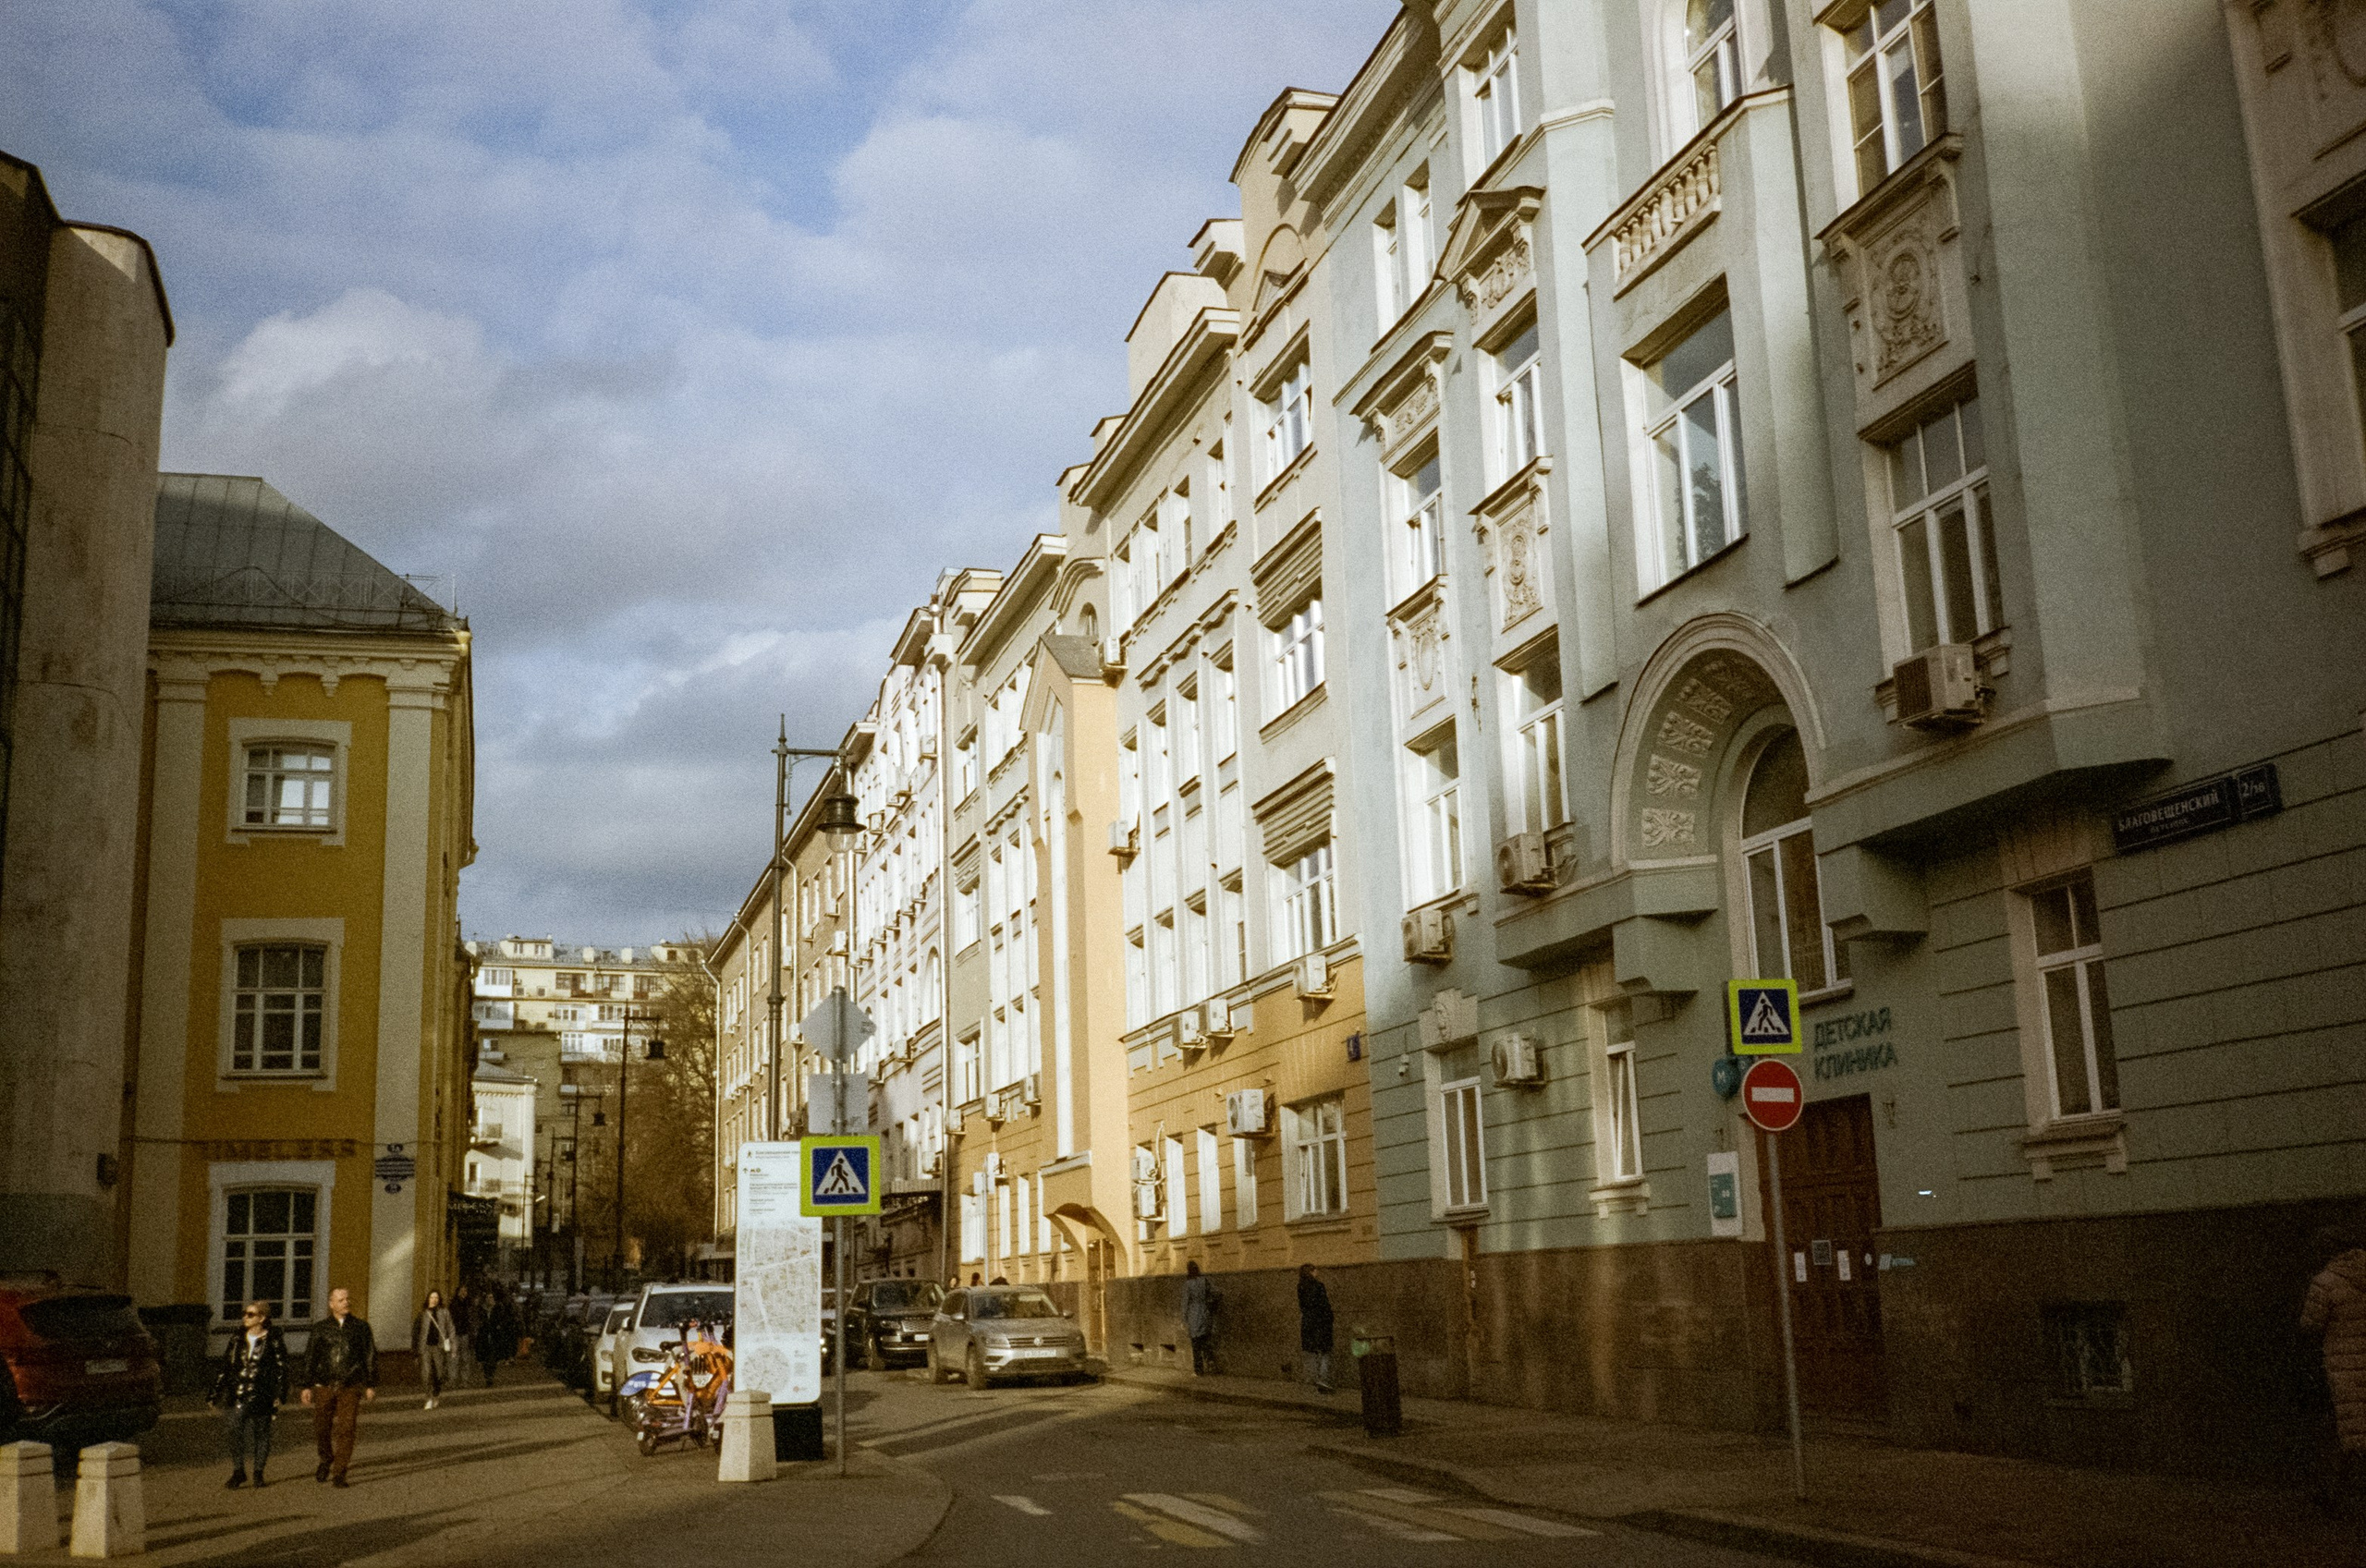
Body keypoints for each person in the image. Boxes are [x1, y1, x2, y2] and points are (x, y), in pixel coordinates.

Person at [2303, 1228, 2366, 1514]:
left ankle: (2332, 1493)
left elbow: (2311, 1325)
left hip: (2341, 1366)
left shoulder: (2325, 1282)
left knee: (2340, 1430)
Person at [299, 1286, 377, 1487]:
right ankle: (326, 1458)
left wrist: (370, 1384)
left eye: (347, 1299)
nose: (346, 1303)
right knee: (321, 1427)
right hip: (324, 1385)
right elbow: (310, 1358)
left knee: (347, 1428)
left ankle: (340, 1472)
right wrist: (306, 1385)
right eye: (341, 1300)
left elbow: (369, 1356)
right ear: (331, 1304)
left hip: (350, 1385)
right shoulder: (320, 1328)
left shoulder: (361, 1328)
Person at [209, 1299, 289, 1489]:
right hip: (238, 1393)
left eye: (250, 1314)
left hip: (262, 1394)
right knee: (234, 1429)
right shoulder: (237, 1339)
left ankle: (258, 1472)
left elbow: (282, 1369)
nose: (245, 1317)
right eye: (245, 1313)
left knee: (261, 1434)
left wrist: (280, 1393)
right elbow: (226, 1366)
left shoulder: (273, 1340)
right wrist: (214, 1393)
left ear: (262, 1318)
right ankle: (238, 1471)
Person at [413, 1290, 457, 1410]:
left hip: (439, 1348)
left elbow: (451, 1329)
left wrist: (453, 1347)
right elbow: (416, 1333)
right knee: (426, 1374)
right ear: (428, 1299)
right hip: (425, 1348)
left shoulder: (444, 1312)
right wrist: (415, 1352)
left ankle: (436, 1394)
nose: (434, 1300)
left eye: (436, 1297)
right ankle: (428, 1398)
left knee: (439, 1373)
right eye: (432, 1297)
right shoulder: (422, 1313)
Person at [1297, 1263, 1335, 1394]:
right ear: (1311, 1272)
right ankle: (1322, 1379)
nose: (1317, 1272)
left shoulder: (1301, 1287)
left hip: (1308, 1322)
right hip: (1321, 1322)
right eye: (1315, 1270)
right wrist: (1330, 1318)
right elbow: (1324, 1304)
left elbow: (1302, 1306)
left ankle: (1312, 1378)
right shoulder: (1319, 1286)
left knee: (1312, 1351)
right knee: (1325, 1351)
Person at [473, 1286, 516, 1386]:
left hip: (494, 1336)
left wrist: (499, 1326)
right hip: (484, 1336)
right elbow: (479, 1321)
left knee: (492, 1358)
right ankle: (487, 1375)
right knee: (485, 1358)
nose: (490, 1299)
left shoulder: (498, 1309)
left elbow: (502, 1320)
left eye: (491, 1298)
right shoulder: (482, 1309)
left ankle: (490, 1377)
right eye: (488, 1298)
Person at [1182, 1261, 1218, 1376]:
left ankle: (1198, 1370)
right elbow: (1215, 1293)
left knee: (1196, 1344)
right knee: (1206, 1341)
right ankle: (1211, 1362)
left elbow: (1185, 1302)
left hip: (1194, 1315)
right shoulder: (1204, 1281)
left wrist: (1183, 1319)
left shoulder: (1188, 1284)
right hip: (1205, 1313)